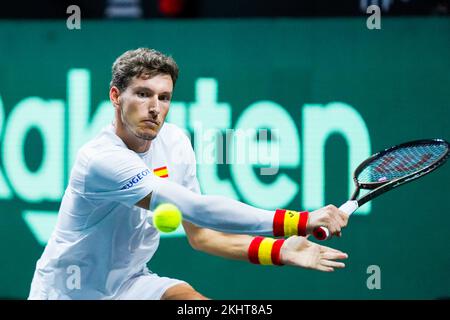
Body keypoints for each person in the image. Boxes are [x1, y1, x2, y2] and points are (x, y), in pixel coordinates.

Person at [28, 48, 349, 300]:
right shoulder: (100, 160)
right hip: (67, 293)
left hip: (130, 285)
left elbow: (202, 235)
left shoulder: (176, 143)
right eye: (143, 94)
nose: (155, 107)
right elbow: (198, 209)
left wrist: (278, 250)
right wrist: (298, 220)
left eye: (164, 97)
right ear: (115, 97)